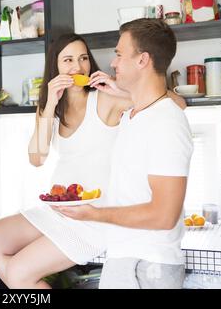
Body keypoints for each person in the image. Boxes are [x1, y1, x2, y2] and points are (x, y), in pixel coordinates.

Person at [0, 32, 186, 289]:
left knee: (19, 274)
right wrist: (49, 104)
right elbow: (37, 158)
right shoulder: (51, 109)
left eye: (83, 58)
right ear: (54, 67)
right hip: (60, 209)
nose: (77, 67)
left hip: (93, 217)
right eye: (67, 60)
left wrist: (120, 89)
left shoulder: (107, 97)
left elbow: (176, 103)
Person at [53, 19, 194, 289]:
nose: (113, 63)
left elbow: (164, 215)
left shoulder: (167, 123)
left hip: (147, 266)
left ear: (142, 60)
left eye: (119, 54)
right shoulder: (134, 115)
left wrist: (93, 214)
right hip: (125, 259)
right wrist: (121, 91)